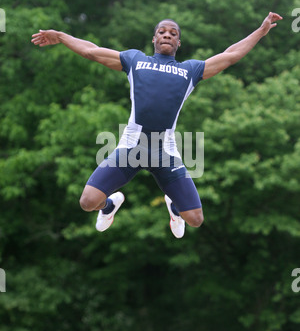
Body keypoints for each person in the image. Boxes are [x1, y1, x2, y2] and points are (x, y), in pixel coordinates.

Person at [31, 12, 282, 238]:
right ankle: (110, 205)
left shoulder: (189, 71)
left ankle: (174, 206)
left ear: (178, 43)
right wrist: (62, 36)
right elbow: (91, 51)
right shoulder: (134, 61)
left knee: (195, 219)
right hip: (131, 148)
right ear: (154, 39)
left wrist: (261, 31)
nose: (167, 35)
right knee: (87, 202)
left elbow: (230, 56)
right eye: (162, 31)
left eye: (173, 34)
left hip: (165, 153)